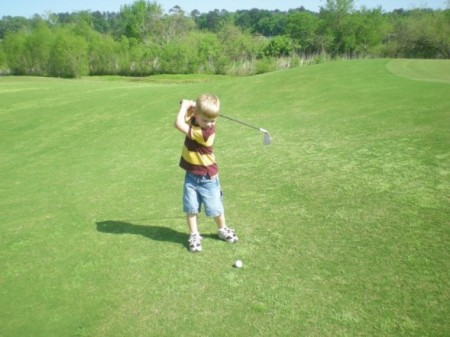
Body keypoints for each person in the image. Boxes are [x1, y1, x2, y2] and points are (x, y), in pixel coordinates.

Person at [174, 94, 238, 252]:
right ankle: (194, 234)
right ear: (197, 115)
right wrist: (190, 108)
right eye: (206, 120)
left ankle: (222, 229)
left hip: (208, 177)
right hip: (191, 175)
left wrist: (184, 107)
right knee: (191, 208)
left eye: (213, 121)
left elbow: (178, 123)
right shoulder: (196, 121)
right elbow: (188, 118)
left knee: (215, 208)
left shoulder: (206, 133)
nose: (209, 124)